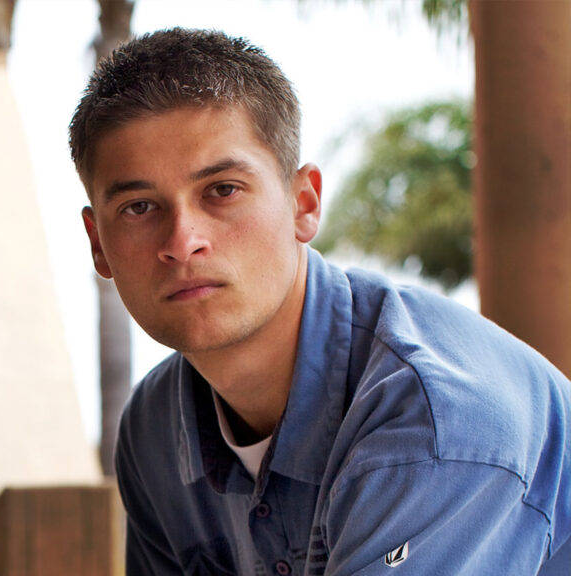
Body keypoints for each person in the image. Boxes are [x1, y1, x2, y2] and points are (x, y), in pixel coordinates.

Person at [68, 28, 570, 575]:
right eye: (140, 207)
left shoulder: (434, 419)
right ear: (99, 244)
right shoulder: (156, 431)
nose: (183, 241)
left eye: (223, 190)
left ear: (303, 203)